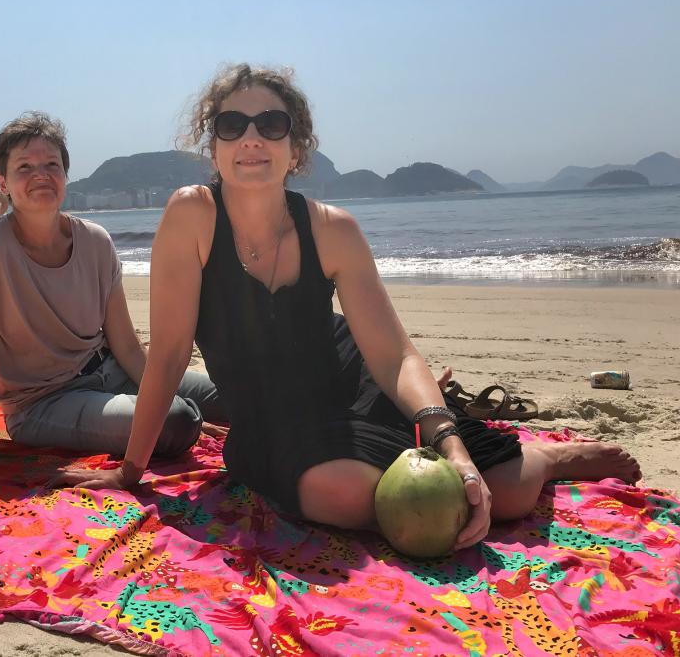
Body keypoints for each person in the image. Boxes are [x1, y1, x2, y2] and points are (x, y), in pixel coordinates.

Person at [54, 64, 641, 550]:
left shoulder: (333, 229)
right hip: (271, 421)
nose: (251, 138)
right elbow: (169, 354)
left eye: (271, 124)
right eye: (232, 125)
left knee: (503, 492)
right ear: (215, 147)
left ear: (296, 148)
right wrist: (131, 469)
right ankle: (437, 472)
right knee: (344, 494)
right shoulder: (192, 216)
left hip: (350, 381)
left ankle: (549, 458)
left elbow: (393, 355)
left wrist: (450, 444)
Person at [0, 112, 225, 456]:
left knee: (234, 394)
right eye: (25, 167)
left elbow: (126, 345)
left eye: (52, 164)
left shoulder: (95, 241)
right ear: (3, 181)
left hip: (113, 370)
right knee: (177, 422)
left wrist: (163, 395)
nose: (41, 175)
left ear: (64, 174)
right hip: (44, 403)